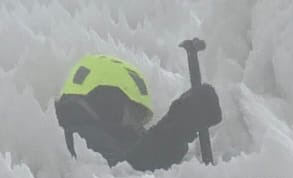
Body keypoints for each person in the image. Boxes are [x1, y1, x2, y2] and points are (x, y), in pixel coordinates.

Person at [54, 54, 221, 171]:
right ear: (108, 103)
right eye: (133, 113)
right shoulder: (79, 136)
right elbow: (126, 172)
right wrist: (179, 125)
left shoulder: (107, 136)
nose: (137, 126)